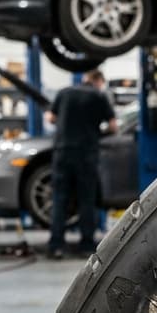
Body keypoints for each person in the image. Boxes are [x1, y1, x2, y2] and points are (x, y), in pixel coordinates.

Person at [44, 69, 117, 259]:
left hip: (62, 152)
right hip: (86, 154)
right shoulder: (99, 96)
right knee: (87, 200)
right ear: (99, 80)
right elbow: (113, 126)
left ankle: (56, 246)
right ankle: (86, 245)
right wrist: (98, 133)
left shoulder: (64, 92)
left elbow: (50, 118)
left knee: (60, 199)